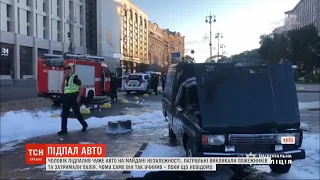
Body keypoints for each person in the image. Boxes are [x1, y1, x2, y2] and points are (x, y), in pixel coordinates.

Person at [58, 66, 88, 135]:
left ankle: (84, 125)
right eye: (65, 72)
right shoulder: (66, 78)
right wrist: (63, 79)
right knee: (64, 114)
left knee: (77, 113)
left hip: (74, 96)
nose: (67, 73)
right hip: (66, 97)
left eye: (68, 71)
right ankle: (64, 129)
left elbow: (81, 86)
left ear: (71, 71)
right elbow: (62, 89)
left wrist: (79, 97)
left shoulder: (75, 77)